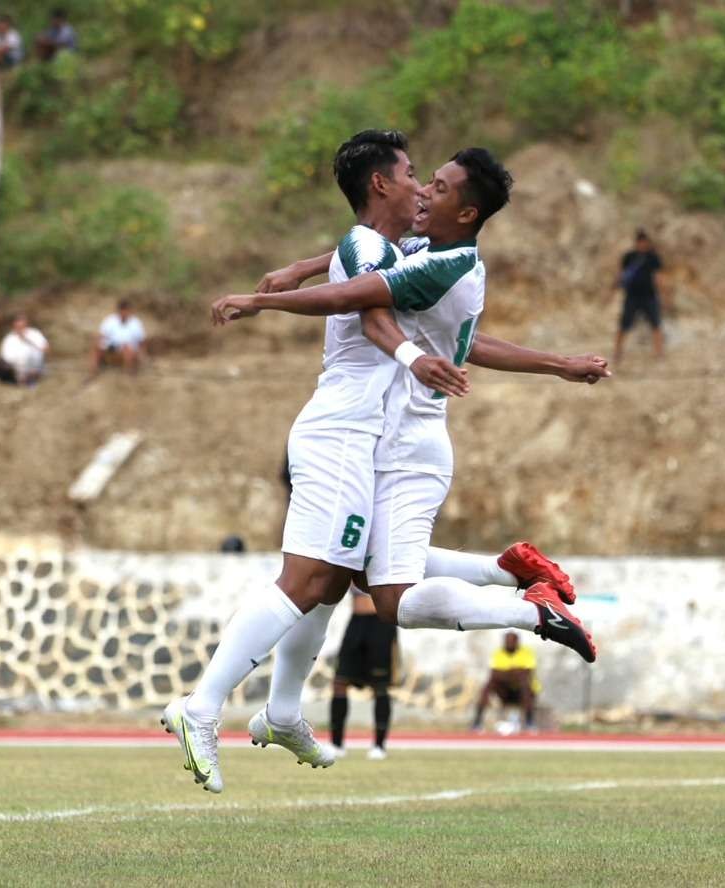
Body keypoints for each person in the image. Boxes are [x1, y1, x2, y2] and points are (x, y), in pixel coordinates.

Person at [165, 133, 605, 794]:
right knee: (315, 580)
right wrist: (276, 293)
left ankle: (283, 711)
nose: (421, 185)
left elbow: (384, 287)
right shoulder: (388, 250)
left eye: (436, 183)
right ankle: (202, 707)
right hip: (347, 433)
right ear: (382, 185)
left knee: (346, 575)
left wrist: (295, 272)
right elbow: (365, 305)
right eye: (411, 174)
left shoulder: (415, 253)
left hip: (375, 438)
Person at [326, 587, 398, 760]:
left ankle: (379, 746)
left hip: (381, 622)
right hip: (356, 622)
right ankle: (337, 744)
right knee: (339, 682)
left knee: (380, 686)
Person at [612, 229, 663, 365]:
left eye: (644, 242)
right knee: (624, 325)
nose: (642, 244)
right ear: (637, 242)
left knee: (656, 324)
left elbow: (658, 277)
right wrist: (614, 288)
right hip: (632, 296)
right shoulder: (629, 257)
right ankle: (617, 352)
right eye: (640, 242)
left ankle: (658, 354)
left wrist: (663, 295)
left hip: (649, 296)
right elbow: (620, 274)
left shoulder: (653, 258)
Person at [472, 631, 539, 733]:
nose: (509, 643)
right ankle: (477, 723)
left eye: (511, 641)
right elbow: (494, 674)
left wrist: (506, 672)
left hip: (524, 692)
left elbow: (527, 673)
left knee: (524, 683)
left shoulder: (527, 652)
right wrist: (515, 671)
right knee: (489, 684)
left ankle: (530, 723)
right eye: (507, 641)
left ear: (517, 642)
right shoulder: (498, 653)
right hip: (505, 691)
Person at [0, 313, 49, 385]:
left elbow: (45, 349)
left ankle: (24, 379)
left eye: (22, 326)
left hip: (33, 366)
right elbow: (5, 356)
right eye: (18, 326)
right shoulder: (9, 338)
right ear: (14, 326)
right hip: (13, 367)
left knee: (31, 372)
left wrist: (28, 340)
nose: (20, 329)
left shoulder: (34, 334)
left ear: (26, 324)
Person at [90, 300, 147, 376]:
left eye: (126, 310)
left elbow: (141, 341)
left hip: (129, 347)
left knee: (127, 349)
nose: (124, 313)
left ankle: (128, 373)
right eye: (122, 310)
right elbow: (102, 335)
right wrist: (98, 342)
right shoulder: (110, 320)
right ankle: (93, 371)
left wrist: (142, 355)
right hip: (112, 345)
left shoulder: (136, 323)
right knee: (97, 348)